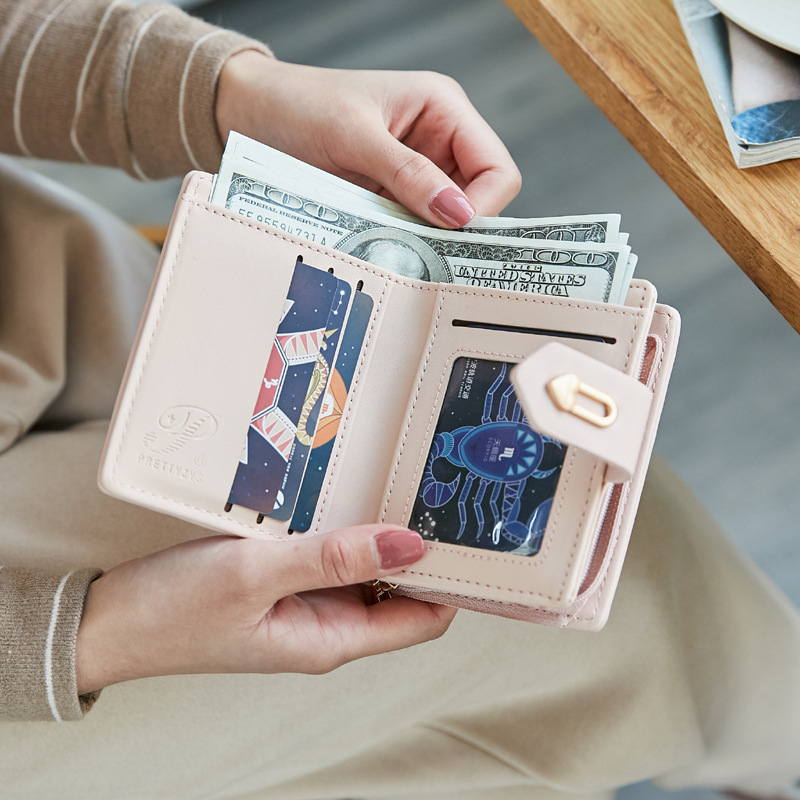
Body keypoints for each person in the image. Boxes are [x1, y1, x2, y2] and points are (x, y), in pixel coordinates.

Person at [0, 1, 798, 799]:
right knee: (603, 558)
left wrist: (231, 91)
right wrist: (87, 637)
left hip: (46, 282)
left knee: (573, 543)